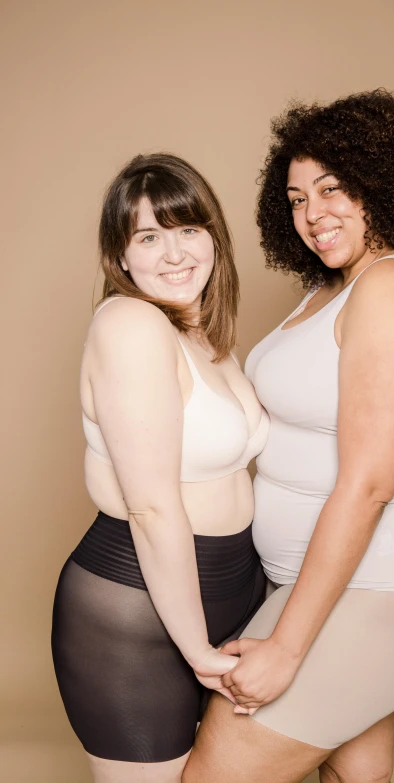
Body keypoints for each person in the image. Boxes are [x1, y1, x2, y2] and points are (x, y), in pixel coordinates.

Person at [183, 90, 394, 783]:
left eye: (333, 188)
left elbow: (369, 482)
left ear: (382, 181)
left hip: (387, 585)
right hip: (329, 582)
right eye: (295, 199)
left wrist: (285, 647)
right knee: (354, 775)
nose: (313, 213)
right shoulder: (332, 290)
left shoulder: (393, 285)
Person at [51, 153, 268, 783]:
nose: (174, 255)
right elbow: (150, 506)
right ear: (120, 257)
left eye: (188, 230)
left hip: (232, 592)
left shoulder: (207, 337)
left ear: (214, 239)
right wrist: (197, 647)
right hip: (138, 611)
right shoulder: (130, 324)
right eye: (148, 236)